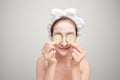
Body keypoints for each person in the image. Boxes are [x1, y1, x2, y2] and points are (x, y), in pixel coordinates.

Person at [36, 8, 90, 80]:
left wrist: (75, 66)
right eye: (58, 36)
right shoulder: (42, 61)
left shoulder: (84, 64)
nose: (64, 43)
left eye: (69, 36)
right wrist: (51, 64)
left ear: (76, 36)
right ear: (51, 37)